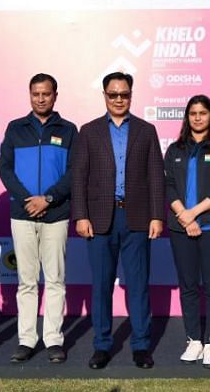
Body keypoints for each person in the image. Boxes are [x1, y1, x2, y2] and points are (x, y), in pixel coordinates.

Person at [71, 72, 165, 370]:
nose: (119, 99)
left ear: (131, 95)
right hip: (99, 219)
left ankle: (141, 346)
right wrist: (81, 215)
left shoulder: (146, 131)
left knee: (138, 285)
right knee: (101, 286)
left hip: (136, 217)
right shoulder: (88, 131)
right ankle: (102, 345)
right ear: (104, 95)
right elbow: (78, 178)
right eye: (113, 94)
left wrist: (157, 216)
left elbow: (155, 177)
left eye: (124, 94)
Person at [0, 73, 78, 364]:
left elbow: (74, 171)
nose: (41, 99)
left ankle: (54, 340)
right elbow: (5, 169)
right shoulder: (15, 128)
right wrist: (27, 199)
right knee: (27, 281)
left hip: (56, 214)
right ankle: (27, 340)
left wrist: (48, 198)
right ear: (30, 95)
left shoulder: (68, 130)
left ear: (55, 95)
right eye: (36, 94)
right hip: (22, 214)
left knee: (55, 279)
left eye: (46, 94)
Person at [163, 94, 210, 368]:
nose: (198, 117)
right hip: (181, 226)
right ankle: (193, 340)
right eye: (193, 113)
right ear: (187, 117)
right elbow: (168, 185)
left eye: (203, 112)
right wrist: (184, 215)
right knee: (188, 285)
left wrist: (194, 213)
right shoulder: (175, 150)